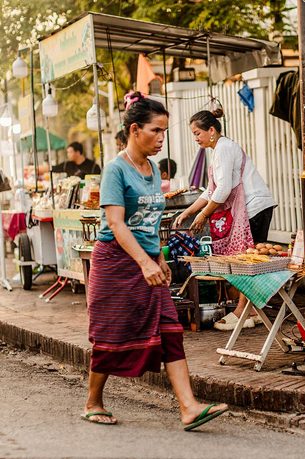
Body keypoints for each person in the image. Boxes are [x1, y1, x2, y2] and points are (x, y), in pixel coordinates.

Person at [84, 91, 228, 429]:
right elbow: (117, 224)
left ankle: (189, 407)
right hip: (115, 264)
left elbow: (148, 222)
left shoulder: (152, 168)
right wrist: (144, 262)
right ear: (134, 130)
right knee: (110, 334)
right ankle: (93, 401)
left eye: (164, 131)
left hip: (147, 262)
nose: (161, 138)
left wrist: (158, 258)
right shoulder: (115, 171)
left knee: (171, 331)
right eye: (155, 131)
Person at [173, 109, 277, 331]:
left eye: (198, 133)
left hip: (254, 208)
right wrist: (189, 211)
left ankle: (243, 312)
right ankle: (250, 311)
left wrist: (203, 215)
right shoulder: (218, 150)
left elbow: (222, 190)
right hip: (251, 209)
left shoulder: (224, 148)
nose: (196, 138)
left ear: (211, 130)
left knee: (246, 261)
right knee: (246, 260)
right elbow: (212, 191)